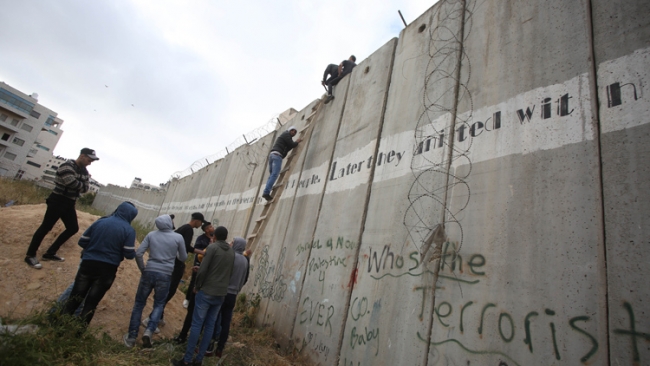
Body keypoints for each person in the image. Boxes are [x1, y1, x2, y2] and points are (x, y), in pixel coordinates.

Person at [54, 201, 137, 329]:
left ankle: (58, 327)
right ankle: (77, 333)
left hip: (88, 264)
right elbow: (129, 254)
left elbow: (82, 242)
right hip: (107, 270)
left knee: (74, 298)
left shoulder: (100, 222)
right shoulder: (129, 230)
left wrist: (94, 247)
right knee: (91, 304)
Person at [25, 148, 99, 269]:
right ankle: (30, 255)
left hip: (70, 202)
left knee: (73, 228)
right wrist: (80, 185)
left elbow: (85, 189)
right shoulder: (67, 166)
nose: (90, 162)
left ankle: (50, 253)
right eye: (89, 159)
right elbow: (72, 183)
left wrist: (80, 184)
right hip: (57, 200)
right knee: (46, 227)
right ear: (82, 156)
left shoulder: (83, 171)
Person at [172, 226, 234, 366]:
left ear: (215, 237)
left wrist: (197, 286)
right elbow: (226, 272)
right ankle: (199, 360)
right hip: (220, 294)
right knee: (210, 326)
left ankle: (187, 360)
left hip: (206, 291)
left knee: (197, 324)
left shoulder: (211, 248)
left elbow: (204, 270)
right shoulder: (231, 252)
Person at [123, 214, 187, 348]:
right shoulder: (178, 237)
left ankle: (131, 336)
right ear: (170, 223)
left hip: (149, 271)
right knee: (159, 304)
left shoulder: (151, 235)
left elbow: (139, 253)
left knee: (139, 304)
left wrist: (143, 269)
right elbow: (183, 257)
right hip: (165, 275)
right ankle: (149, 331)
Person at [142, 212, 207, 330]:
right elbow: (186, 247)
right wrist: (201, 252)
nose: (200, 225)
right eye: (200, 222)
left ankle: (159, 317)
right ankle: (152, 319)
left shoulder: (182, 228)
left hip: (171, 262)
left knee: (167, 290)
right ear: (196, 221)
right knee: (169, 292)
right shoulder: (188, 230)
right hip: (176, 264)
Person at [208, 237, 250, 357]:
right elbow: (244, 279)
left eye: (232, 242)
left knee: (214, 318)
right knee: (226, 321)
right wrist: (237, 290)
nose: (230, 244)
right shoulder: (245, 260)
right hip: (233, 294)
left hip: (222, 292)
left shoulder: (230, 256)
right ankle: (220, 348)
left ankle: (210, 345)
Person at [174, 222, 215, 344]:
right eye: (211, 227)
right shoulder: (203, 240)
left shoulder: (213, 247)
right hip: (209, 287)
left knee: (194, 313)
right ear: (207, 230)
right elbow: (198, 253)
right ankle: (195, 340)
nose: (212, 228)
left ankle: (185, 337)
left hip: (203, 284)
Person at [261, 126, 303, 201]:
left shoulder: (286, 137)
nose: (293, 132)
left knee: (272, 175)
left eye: (295, 132)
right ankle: (266, 192)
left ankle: (266, 191)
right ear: (289, 130)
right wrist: (297, 142)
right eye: (292, 131)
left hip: (273, 155)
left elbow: (288, 147)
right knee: (275, 174)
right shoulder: (286, 134)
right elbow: (292, 145)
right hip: (277, 155)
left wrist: (294, 143)